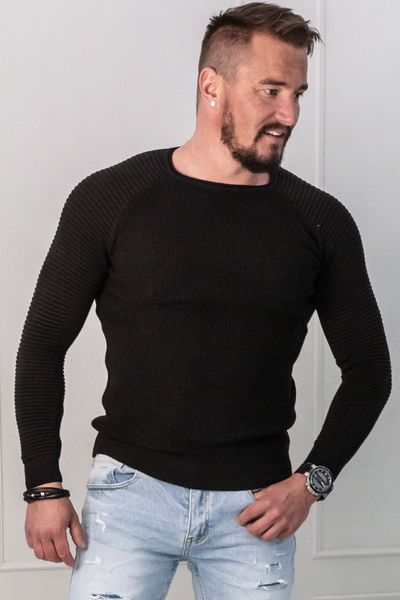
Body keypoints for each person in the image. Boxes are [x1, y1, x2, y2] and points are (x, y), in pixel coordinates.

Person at [15, 2, 392, 599]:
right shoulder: (110, 199)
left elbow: (369, 370)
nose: (289, 115)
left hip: (255, 511)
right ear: (211, 86)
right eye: (271, 91)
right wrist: (43, 483)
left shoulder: (321, 221)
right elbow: (42, 345)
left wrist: (311, 482)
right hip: (128, 501)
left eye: (297, 94)